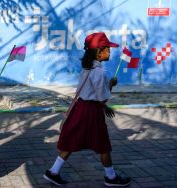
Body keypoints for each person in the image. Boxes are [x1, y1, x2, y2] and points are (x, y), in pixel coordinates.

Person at [43, 32, 131, 187]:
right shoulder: (99, 72)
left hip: (80, 109)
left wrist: (106, 97)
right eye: (107, 49)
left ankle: (53, 171)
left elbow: (91, 93)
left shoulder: (87, 69)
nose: (110, 52)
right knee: (103, 144)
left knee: (71, 142)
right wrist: (110, 88)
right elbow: (101, 96)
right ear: (99, 52)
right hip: (91, 112)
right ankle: (110, 177)